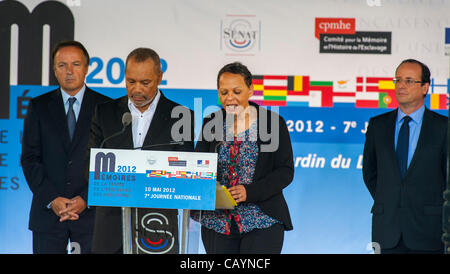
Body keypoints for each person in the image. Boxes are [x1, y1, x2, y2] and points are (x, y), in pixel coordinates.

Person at [87, 47, 194, 254]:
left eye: (145, 83)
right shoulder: (104, 113)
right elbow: (89, 167)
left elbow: (184, 175)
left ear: (159, 77)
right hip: (111, 229)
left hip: (158, 227)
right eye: (130, 81)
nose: (137, 89)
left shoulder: (180, 116)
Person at [193, 62, 294, 254]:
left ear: (250, 90)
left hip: (262, 218)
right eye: (224, 92)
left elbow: (285, 172)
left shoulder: (273, 123)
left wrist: (250, 191)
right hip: (217, 221)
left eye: (237, 91)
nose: (229, 98)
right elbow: (199, 166)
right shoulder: (211, 123)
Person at [21, 41, 111, 253]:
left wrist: (87, 199)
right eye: (62, 65)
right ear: (54, 70)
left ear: (87, 68)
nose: (69, 71)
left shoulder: (106, 109)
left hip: (91, 217)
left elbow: (111, 163)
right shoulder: (39, 106)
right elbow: (30, 158)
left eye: (76, 64)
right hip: (48, 216)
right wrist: (52, 199)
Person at [363, 59, 447, 254]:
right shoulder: (378, 125)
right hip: (387, 230)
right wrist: (391, 198)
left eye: (409, 81)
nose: (401, 85)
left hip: (429, 231)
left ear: (425, 87)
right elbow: (370, 172)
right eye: (398, 80)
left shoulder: (443, 127)